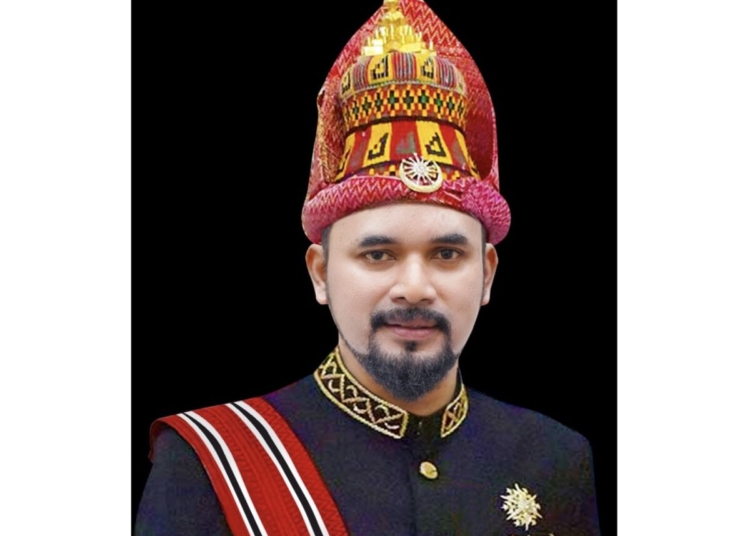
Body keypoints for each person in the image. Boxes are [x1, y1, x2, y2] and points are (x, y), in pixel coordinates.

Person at [135, 0, 601, 534]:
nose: (414, 287)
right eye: (378, 255)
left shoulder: (554, 460)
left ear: (488, 273)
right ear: (319, 273)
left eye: (447, 255)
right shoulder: (210, 465)